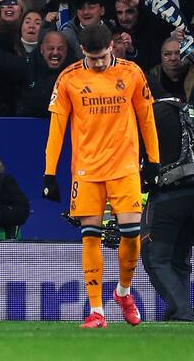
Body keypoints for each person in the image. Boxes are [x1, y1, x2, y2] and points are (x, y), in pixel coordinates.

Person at [43, 23, 159, 328]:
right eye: (92, 58)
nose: (98, 63)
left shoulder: (131, 73)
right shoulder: (69, 78)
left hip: (125, 167)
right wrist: (49, 172)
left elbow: (147, 118)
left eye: (103, 56)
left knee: (132, 237)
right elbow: (57, 128)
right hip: (87, 170)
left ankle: (123, 292)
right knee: (90, 238)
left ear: (112, 47)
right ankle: (97, 311)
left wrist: (154, 161)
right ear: (82, 51)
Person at [140, 97, 194, 321]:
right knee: (179, 260)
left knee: (155, 258)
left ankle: (182, 312)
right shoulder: (188, 111)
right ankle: (177, 313)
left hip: (169, 195)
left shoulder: (151, 113)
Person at [146, 37, 194, 102]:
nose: (173, 58)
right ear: (161, 56)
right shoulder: (150, 78)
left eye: (178, 53)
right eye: (167, 54)